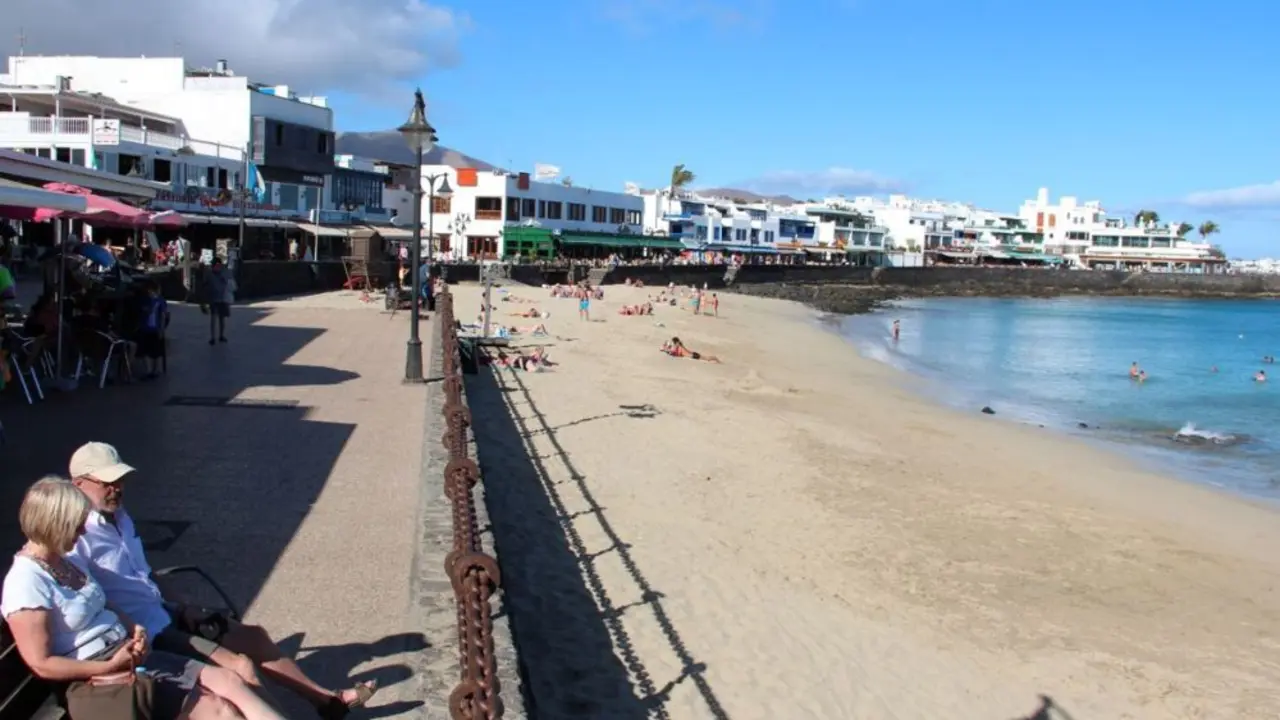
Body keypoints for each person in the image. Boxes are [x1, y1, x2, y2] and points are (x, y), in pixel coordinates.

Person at [66, 443, 378, 719]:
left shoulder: (120, 517)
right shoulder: (76, 536)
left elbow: (144, 574)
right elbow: (90, 602)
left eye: (119, 480)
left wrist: (182, 605)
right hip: (147, 631)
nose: (116, 488)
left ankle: (326, 702)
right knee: (240, 668)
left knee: (253, 637)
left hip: (165, 612)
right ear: (78, 484)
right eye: (106, 482)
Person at [3, 476, 285, 720]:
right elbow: (41, 663)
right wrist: (107, 665)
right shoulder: (25, 582)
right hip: (100, 679)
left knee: (230, 680)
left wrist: (132, 626)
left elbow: (102, 602)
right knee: (218, 710)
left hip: (128, 653)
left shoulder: (64, 561)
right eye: (76, 526)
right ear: (53, 524)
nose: (82, 532)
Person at [136, 282, 168, 379]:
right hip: (147, 328)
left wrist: (161, 329)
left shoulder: (159, 301)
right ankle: (150, 371)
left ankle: (154, 370)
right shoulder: (146, 300)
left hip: (154, 328)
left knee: (155, 351)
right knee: (148, 351)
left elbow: (163, 315)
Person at [201, 259, 233, 346]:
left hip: (222, 298)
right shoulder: (209, 274)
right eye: (215, 265)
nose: (217, 267)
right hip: (213, 298)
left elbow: (229, 282)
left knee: (222, 318)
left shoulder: (223, 272)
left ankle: (221, 335)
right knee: (213, 318)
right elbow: (204, 284)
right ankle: (212, 337)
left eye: (218, 265)